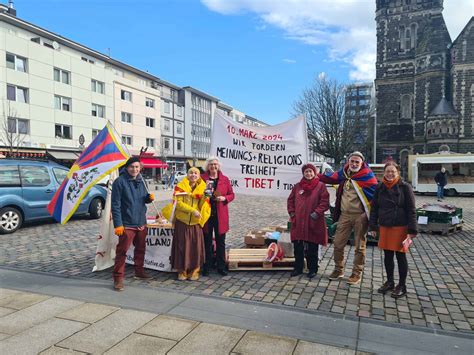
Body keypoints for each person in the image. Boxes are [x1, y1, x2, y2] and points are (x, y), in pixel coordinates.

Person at [318, 151, 378, 285]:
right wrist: (314, 176)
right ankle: (339, 269)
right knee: (338, 243)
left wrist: (369, 217)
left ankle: (357, 273)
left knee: (359, 246)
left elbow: (375, 198)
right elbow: (330, 178)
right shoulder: (343, 174)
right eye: (352, 161)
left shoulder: (368, 177)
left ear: (362, 163)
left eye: (357, 162)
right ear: (348, 162)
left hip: (360, 216)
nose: (354, 164)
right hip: (344, 215)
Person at [369, 161, 417, 298]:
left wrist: (412, 229)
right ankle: (390, 281)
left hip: (400, 226)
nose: (390, 174)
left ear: (398, 173)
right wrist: (373, 226)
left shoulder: (405, 187)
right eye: (388, 171)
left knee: (400, 256)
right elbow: (374, 208)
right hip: (385, 226)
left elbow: (411, 210)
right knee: (388, 256)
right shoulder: (379, 187)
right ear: (384, 173)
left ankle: (402, 285)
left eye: (393, 172)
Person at [111, 157, 155, 291]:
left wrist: (148, 199)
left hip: (141, 221)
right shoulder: (119, 182)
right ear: (127, 167)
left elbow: (142, 199)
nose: (134, 169)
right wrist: (118, 224)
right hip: (127, 223)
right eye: (132, 167)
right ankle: (118, 278)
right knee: (122, 251)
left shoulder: (141, 180)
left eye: (137, 167)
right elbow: (116, 205)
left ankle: (139, 271)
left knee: (141, 249)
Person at [167, 167, 211, 281]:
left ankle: (195, 270)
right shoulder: (180, 186)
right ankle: (181, 270)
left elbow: (202, 205)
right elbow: (178, 203)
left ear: (199, 175)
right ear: (187, 174)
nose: (193, 175)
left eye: (196, 173)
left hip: (196, 222)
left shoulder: (203, 187)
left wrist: (206, 197)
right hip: (183, 221)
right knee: (181, 247)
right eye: (191, 172)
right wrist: (192, 210)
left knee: (195, 247)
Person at [287, 164, 330, 278]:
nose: (308, 174)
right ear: (303, 173)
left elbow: (324, 202)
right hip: (299, 221)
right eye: (306, 172)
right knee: (298, 246)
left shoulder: (321, 186)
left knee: (312, 247)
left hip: (313, 221)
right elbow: (290, 201)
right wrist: (292, 213)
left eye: (311, 171)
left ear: (314, 173)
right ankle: (298, 268)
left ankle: (312, 269)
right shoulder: (297, 187)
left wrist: (317, 213)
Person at [201, 157, 235, 276]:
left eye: (215, 164)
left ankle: (221, 266)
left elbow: (232, 194)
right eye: (211, 164)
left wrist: (224, 198)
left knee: (221, 242)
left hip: (220, 215)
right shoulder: (203, 178)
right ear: (207, 166)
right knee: (207, 241)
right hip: (206, 215)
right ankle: (207, 266)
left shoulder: (224, 179)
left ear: (218, 166)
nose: (213, 167)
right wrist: (203, 196)